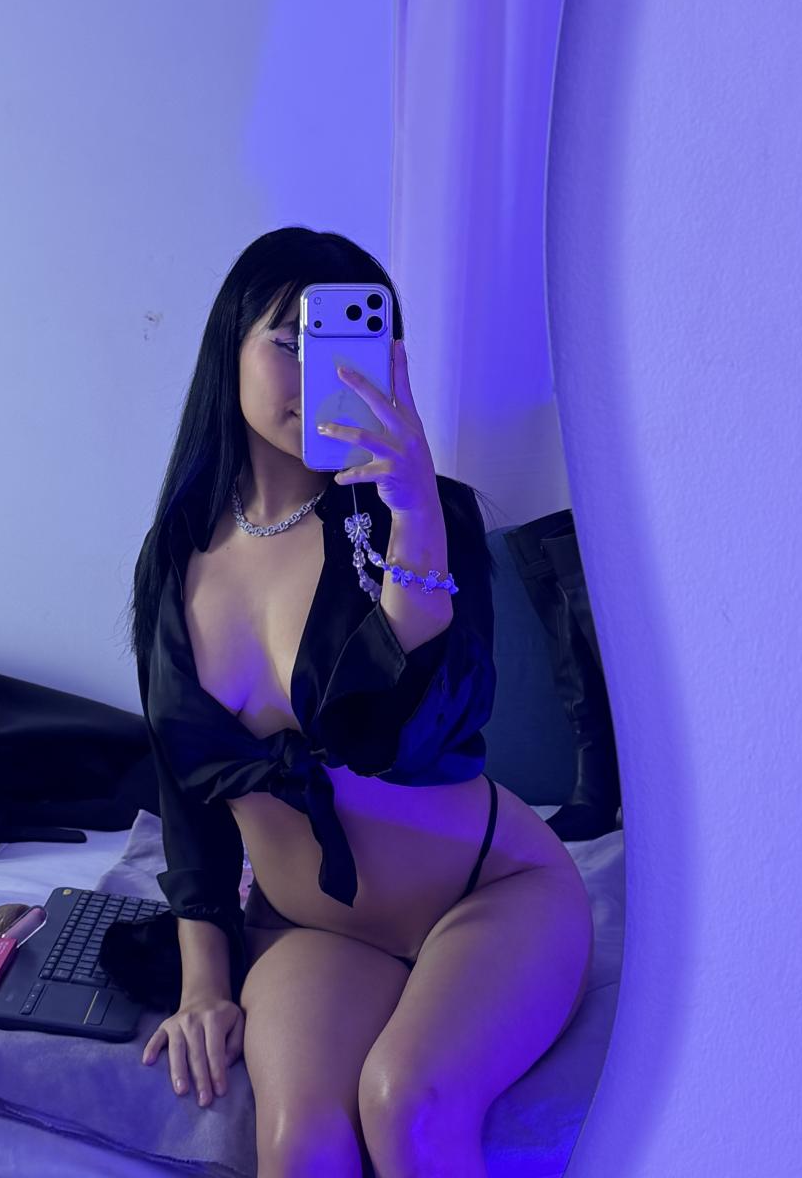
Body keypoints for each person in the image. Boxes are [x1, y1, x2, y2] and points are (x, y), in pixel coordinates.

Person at [120, 228, 594, 1178]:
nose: (317, 371)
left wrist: (414, 518)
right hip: (314, 928)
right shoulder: (176, 557)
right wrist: (204, 984)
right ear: (228, 347)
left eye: (345, 344)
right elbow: (191, 791)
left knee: (405, 1105)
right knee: (301, 1146)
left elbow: (419, 738)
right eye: (286, 340)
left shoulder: (423, 517)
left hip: (488, 895)